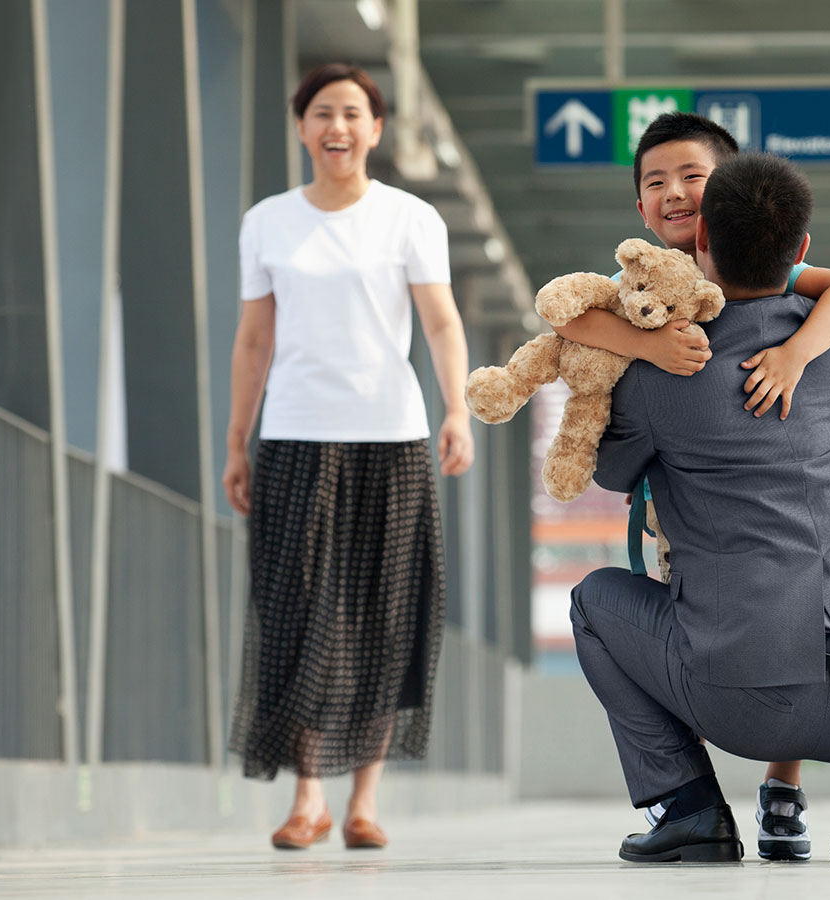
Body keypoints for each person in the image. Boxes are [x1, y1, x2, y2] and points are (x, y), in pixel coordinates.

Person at [569, 152, 830, 863]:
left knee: (595, 601)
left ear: (699, 240)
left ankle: (689, 809)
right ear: (802, 249)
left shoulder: (662, 371)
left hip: (749, 707)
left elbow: (609, 469)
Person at [223, 63, 474, 852]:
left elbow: (439, 323)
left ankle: (363, 800)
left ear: (376, 129)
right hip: (294, 438)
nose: (338, 126)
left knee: (383, 617)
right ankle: (306, 797)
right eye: (322, 112)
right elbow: (254, 338)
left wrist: (457, 407)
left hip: (391, 439)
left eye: (353, 113)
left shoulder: (409, 219)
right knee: (294, 615)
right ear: (301, 127)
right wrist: (238, 439)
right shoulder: (267, 222)